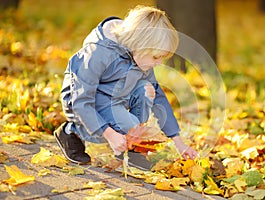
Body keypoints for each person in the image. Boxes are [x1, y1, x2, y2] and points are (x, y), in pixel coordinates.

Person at [54, 5, 198, 164]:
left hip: (113, 97)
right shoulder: (97, 53)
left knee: (147, 90)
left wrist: (178, 142)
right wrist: (110, 134)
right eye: (156, 57)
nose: (159, 63)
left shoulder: (140, 55)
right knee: (128, 125)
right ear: (140, 45)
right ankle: (71, 131)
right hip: (81, 102)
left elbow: (158, 98)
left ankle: (128, 146)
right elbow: (80, 101)